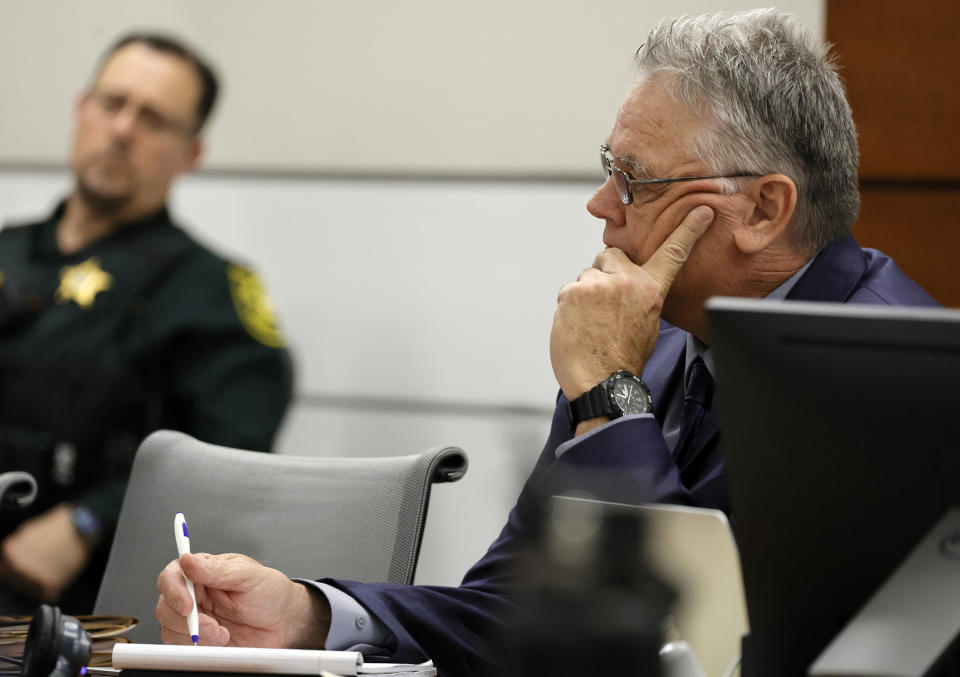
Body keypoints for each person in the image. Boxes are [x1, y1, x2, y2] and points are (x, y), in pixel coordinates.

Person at [155, 8, 938, 675]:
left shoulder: (891, 374)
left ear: (764, 208)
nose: (602, 205)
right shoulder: (653, 342)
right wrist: (310, 615)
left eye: (636, 179)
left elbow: (678, 649)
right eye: (608, 168)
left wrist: (607, 397)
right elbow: (512, 608)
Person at [0, 33, 292, 613]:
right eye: (112, 104)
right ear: (81, 109)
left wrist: (88, 521)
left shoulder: (212, 293)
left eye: (154, 119)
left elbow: (231, 465)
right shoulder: (9, 252)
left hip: (91, 612)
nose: (123, 130)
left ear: (192, 154)